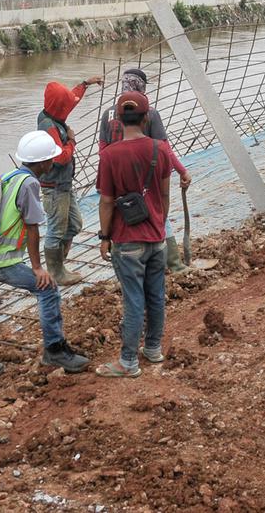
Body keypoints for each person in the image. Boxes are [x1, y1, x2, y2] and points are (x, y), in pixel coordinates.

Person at [0, 131, 90, 384]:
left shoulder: (7, 176)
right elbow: (32, 226)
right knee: (48, 289)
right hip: (0, 260)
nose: (52, 163)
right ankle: (55, 350)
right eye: (50, 159)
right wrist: (37, 268)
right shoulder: (29, 184)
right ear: (43, 163)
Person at [96, 91, 178, 378]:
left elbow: (106, 201)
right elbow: (165, 194)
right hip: (156, 238)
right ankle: (153, 348)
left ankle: (128, 362)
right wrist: (159, 224)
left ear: (118, 120)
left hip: (127, 240)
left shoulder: (109, 155)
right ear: (146, 119)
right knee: (156, 296)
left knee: (133, 301)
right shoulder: (160, 150)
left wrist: (104, 237)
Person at [99, 68, 193, 274]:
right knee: (157, 213)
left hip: (116, 176)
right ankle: (174, 263)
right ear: (140, 87)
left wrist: (109, 174)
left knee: (119, 216)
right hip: (145, 176)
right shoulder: (148, 113)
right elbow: (164, 148)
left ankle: (126, 264)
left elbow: (102, 149)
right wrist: (182, 170)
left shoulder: (108, 114)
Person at [37, 75, 103, 286]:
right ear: (58, 107)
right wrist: (72, 140)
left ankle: (59, 264)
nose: (68, 108)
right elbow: (60, 157)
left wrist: (85, 84)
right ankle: (55, 272)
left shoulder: (53, 115)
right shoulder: (48, 127)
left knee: (73, 225)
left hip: (64, 185)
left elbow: (70, 100)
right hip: (54, 187)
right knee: (56, 230)